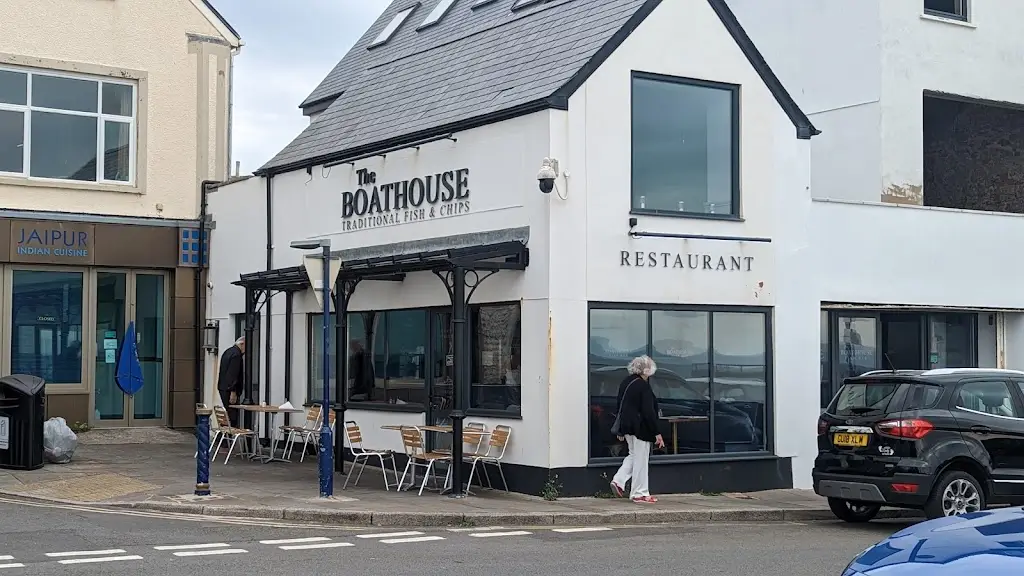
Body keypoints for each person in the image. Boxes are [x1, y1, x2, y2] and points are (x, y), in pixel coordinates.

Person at [610, 355, 665, 504]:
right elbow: (648, 412)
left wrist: (621, 430)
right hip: (641, 428)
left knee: (633, 455)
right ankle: (639, 493)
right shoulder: (643, 386)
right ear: (647, 370)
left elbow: (620, 406)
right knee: (641, 459)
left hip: (627, 427)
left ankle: (619, 481)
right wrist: (656, 432)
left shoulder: (626, 382)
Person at [217, 337, 245, 427]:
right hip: (229, 390)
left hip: (223, 387)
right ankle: (230, 434)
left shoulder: (228, 351)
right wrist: (233, 391)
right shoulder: (236, 355)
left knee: (227, 414)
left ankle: (225, 433)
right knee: (232, 417)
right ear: (242, 344)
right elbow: (233, 373)